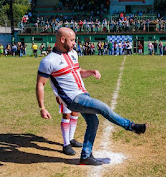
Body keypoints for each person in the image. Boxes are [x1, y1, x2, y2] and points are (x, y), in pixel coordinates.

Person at [36, 27, 147, 166]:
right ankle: (132, 126)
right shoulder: (48, 61)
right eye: (72, 40)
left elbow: (78, 71)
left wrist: (91, 71)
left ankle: (86, 156)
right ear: (62, 39)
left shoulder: (73, 54)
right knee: (103, 108)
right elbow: (40, 84)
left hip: (83, 94)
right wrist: (42, 107)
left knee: (93, 122)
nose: (74, 43)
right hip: (73, 100)